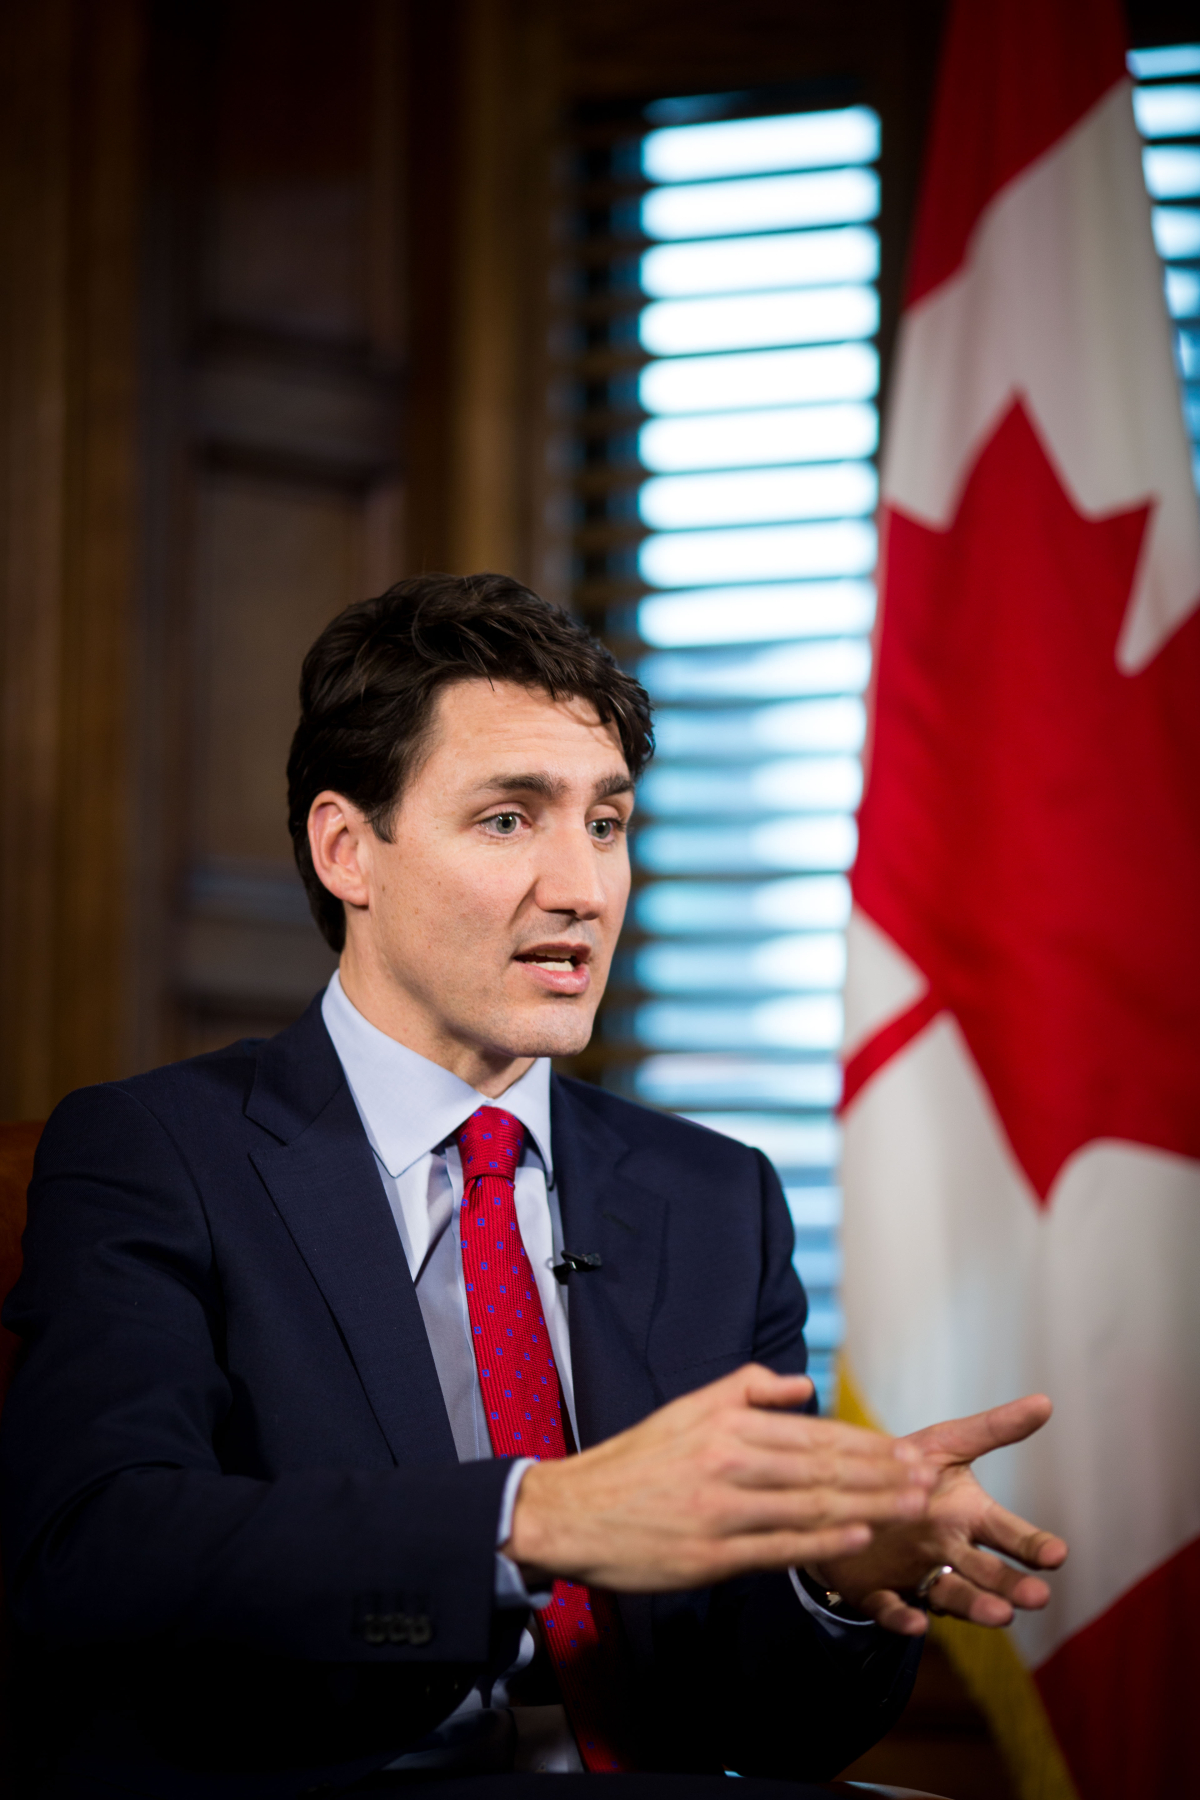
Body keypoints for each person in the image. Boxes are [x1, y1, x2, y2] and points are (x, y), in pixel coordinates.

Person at [0, 575, 1066, 1798]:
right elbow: (97, 1554)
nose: (584, 889)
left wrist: (833, 1576)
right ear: (347, 848)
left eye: (606, 825)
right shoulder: (158, 1154)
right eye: (510, 820)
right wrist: (527, 1518)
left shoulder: (716, 1198)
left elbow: (777, 1731)